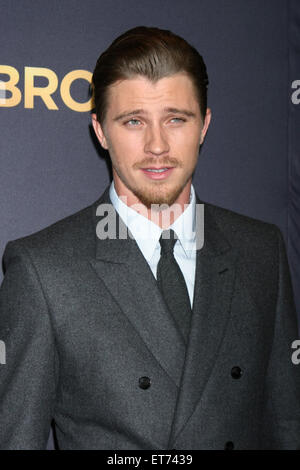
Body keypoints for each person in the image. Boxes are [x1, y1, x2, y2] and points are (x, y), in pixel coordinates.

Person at [0, 25, 299, 450]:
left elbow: (288, 423)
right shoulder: (44, 270)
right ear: (101, 131)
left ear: (204, 126)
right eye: (134, 121)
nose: (157, 146)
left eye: (176, 119)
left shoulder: (261, 250)